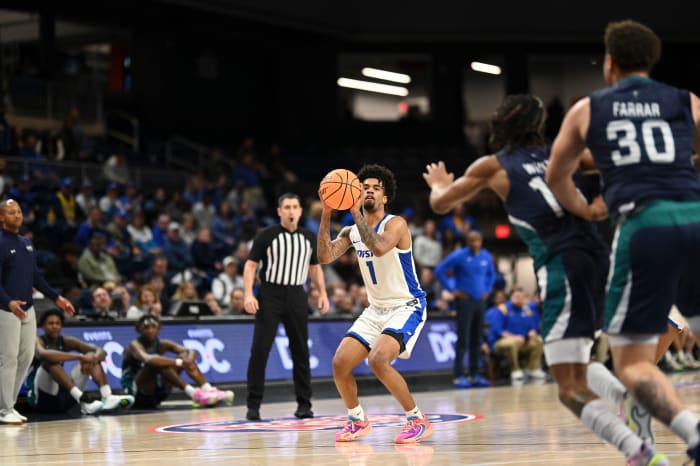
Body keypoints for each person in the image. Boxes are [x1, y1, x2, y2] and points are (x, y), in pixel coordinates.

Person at [423, 93, 668, 464]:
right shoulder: (562, 154)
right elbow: (621, 163)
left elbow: (441, 204)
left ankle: (641, 454)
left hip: (562, 265)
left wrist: (439, 183)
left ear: (501, 124)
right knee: (579, 358)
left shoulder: (493, 165)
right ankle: (626, 400)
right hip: (601, 258)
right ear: (539, 126)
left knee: (568, 387)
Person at [544, 19, 700, 464]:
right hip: (695, 215)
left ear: (610, 63)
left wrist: (585, 208)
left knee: (631, 363)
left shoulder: (589, 109)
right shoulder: (686, 100)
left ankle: (694, 433)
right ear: (652, 62)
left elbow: (557, 175)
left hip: (646, 226)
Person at [317, 164, 432, 444]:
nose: (368, 190)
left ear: (384, 198)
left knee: (378, 360)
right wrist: (327, 211)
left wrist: (355, 212)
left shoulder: (396, 224)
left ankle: (417, 419)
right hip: (375, 309)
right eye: (364, 186)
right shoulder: (350, 231)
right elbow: (324, 256)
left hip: (406, 305)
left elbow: (380, 248)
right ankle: (357, 420)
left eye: (375, 188)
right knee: (340, 364)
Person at [243, 192, 329, 420]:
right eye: (287, 207)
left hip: (296, 294)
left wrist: (322, 293)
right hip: (270, 293)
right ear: (279, 211)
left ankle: (304, 404)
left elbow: (315, 268)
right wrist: (248, 294)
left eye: (295, 206)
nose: (291, 211)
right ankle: (253, 405)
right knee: (260, 349)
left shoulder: (309, 237)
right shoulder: (266, 235)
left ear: (301, 211)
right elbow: (251, 266)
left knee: (301, 350)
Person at [0, 199, 76, 424]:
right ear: (1, 218)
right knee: (9, 358)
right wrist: (8, 301)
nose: (17, 215)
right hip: (6, 309)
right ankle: (4, 410)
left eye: (19, 211)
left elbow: (36, 277)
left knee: (26, 357)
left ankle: (8, 406)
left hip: (28, 309)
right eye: (11, 212)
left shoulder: (26, 243)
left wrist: (57, 297)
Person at [26, 309, 134, 415]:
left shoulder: (66, 341)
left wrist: (92, 358)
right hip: (41, 398)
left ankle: (107, 396)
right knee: (50, 362)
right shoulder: (37, 340)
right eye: (51, 323)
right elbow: (43, 354)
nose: (54, 326)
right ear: (43, 326)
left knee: (91, 358)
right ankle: (82, 399)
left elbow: (101, 351)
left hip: (63, 396)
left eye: (58, 323)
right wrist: (80, 357)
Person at [120, 315, 233, 409]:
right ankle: (194, 394)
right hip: (137, 394)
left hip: (158, 393)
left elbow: (191, 351)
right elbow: (148, 359)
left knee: (183, 356)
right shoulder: (134, 345)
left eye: (153, 327)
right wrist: (179, 362)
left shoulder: (163, 344)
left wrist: (188, 359)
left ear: (159, 328)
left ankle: (207, 389)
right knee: (157, 362)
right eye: (146, 328)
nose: (150, 330)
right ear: (139, 330)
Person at [434, 230, 496, 388]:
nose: (475, 244)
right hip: (464, 302)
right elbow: (439, 270)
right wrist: (451, 289)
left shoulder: (486, 256)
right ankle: (459, 374)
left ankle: (475, 374)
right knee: (463, 338)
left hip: (480, 302)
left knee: (477, 338)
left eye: (477, 241)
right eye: (472, 241)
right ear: (467, 242)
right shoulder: (459, 256)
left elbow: (491, 275)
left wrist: (487, 290)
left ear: (481, 241)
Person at [485, 286, 546, 382]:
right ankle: (515, 370)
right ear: (511, 297)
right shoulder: (502, 309)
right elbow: (498, 330)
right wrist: (513, 337)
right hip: (501, 342)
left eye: (522, 297)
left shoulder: (527, 310)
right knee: (511, 344)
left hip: (523, 341)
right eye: (517, 297)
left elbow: (533, 327)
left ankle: (533, 368)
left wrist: (532, 332)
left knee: (539, 341)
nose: (519, 299)